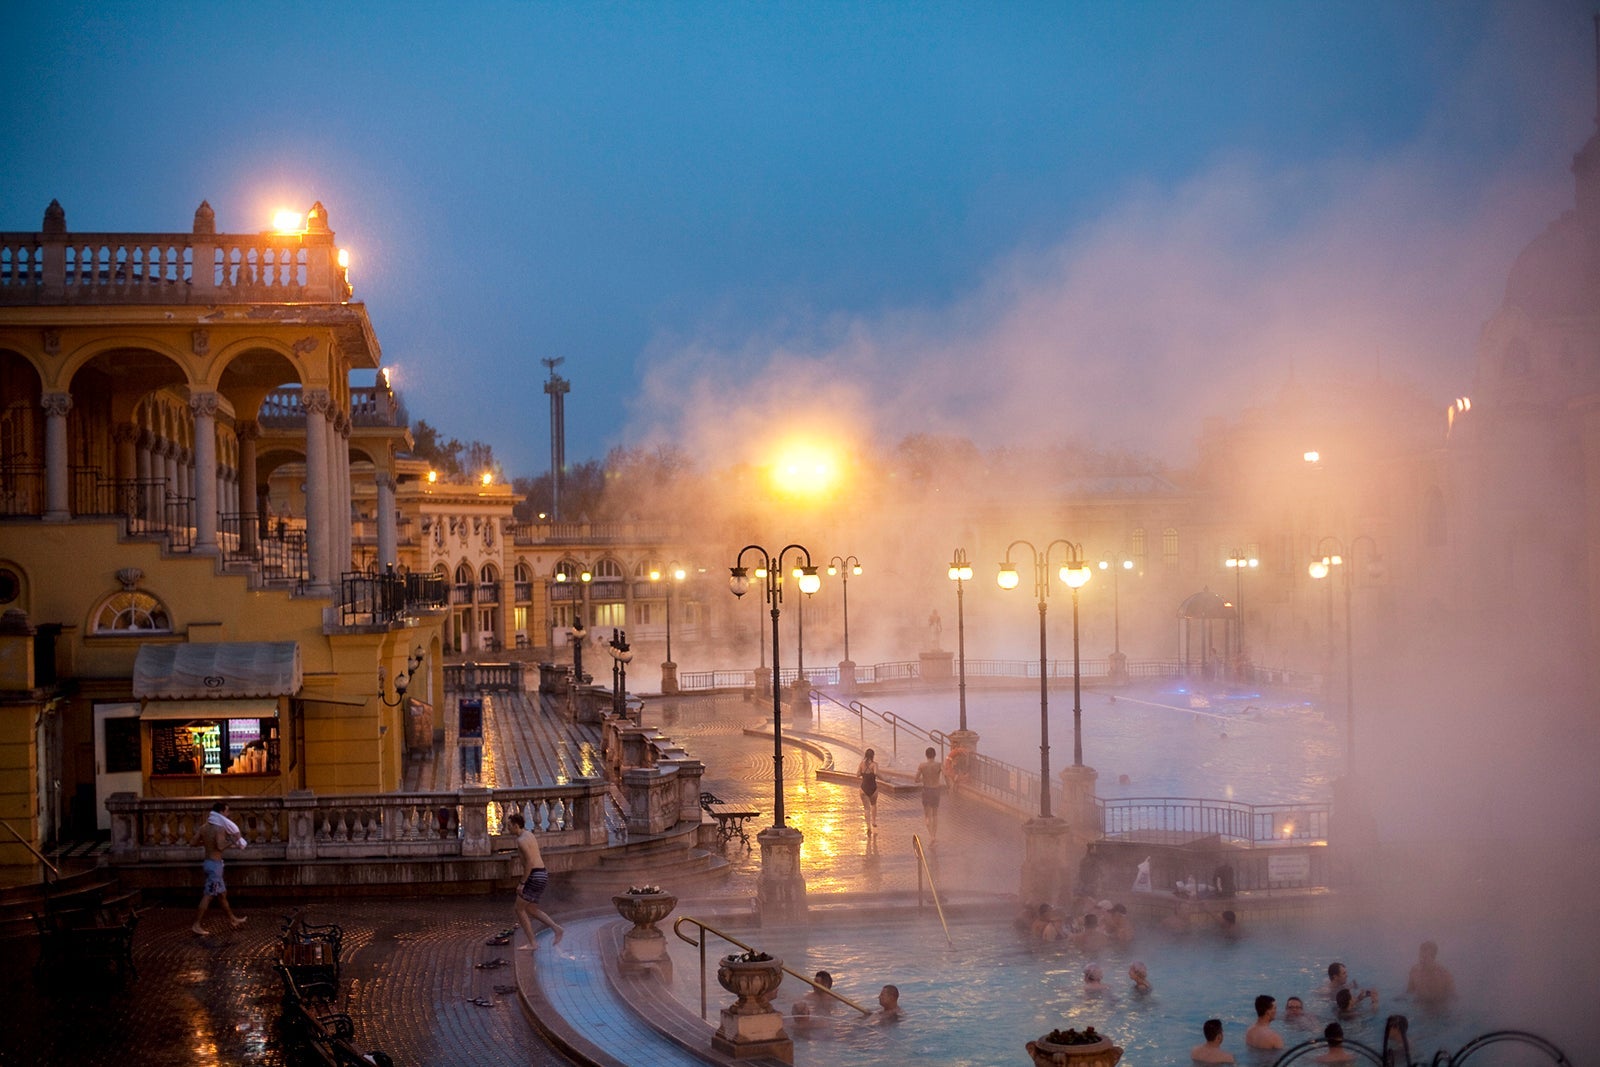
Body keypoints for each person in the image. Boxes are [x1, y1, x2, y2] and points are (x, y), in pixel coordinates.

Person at [508, 812, 564, 948]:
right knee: (531, 909)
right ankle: (557, 928)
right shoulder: (529, 834)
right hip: (542, 873)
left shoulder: (521, 841)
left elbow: (529, 863)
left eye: (509, 825)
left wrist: (522, 883)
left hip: (534, 875)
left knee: (519, 909)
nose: (507, 828)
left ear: (516, 826)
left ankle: (533, 943)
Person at [191, 801, 247, 934]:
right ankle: (196, 925)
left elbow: (192, 842)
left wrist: (206, 842)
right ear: (221, 812)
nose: (228, 814)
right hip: (215, 866)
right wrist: (232, 841)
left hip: (208, 863)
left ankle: (232, 919)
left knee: (222, 895)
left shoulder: (204, 827)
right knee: (209, 895)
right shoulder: (219, 828)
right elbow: (220, 846)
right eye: (227, 811)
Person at [1405, 940, 1456, 1008]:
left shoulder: (1443, 974)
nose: (1421, 960)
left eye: (1425, 957)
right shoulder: (1414, 971)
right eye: (1420, 956)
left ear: (1433, 957)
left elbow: (1452, 994)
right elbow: (1409, 991)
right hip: (1420, 1008)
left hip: (1439, 1009)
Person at [914, 747, 945, 842]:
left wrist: (924, 779)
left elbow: (916, 780)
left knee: (927, 815)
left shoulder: (922, 766)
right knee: (935, 815)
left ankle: (931, 835)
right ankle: (934, 835)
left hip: (926, 790)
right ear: (934, 755)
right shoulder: (939, 765)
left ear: (926, 755)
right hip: (936, 790)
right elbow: (946, 775)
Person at [857, 749, 879, 834]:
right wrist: (885, 779)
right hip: (873, 788)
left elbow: (857, 774)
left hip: (863, 788)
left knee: (866, 809)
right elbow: (876, 773)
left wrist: (863, 773)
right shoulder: (874, 765)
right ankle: (873, 821)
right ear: (873, 755)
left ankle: (868, 826)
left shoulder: (861, 764)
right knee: (873, 805)